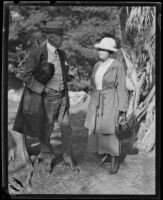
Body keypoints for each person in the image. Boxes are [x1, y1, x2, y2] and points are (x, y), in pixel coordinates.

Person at [13, 21, 77, 173]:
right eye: (61, 37)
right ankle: (47, 158)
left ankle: (68, 157)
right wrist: (42, 90)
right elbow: (26, 75)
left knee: (67, 129)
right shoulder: (38, 53)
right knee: (46, 130)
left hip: (62, 97)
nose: (62, 39)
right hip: (47, 98)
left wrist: (71, 75)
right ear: (53, 37)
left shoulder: (62, 54)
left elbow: (62, 75)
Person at [84, 36, 128, 174]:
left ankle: (114, 158)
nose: (100, 51)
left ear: (110, 52)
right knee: (97, 127)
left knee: (110, 129)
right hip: (97, 100)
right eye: (99, 49)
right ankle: (105, 153)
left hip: (111, 100)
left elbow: (122, 87)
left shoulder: (117, 65)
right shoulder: (97, 65)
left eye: (103, 50)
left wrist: (122, 108)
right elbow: (92, 83)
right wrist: (92, 95)